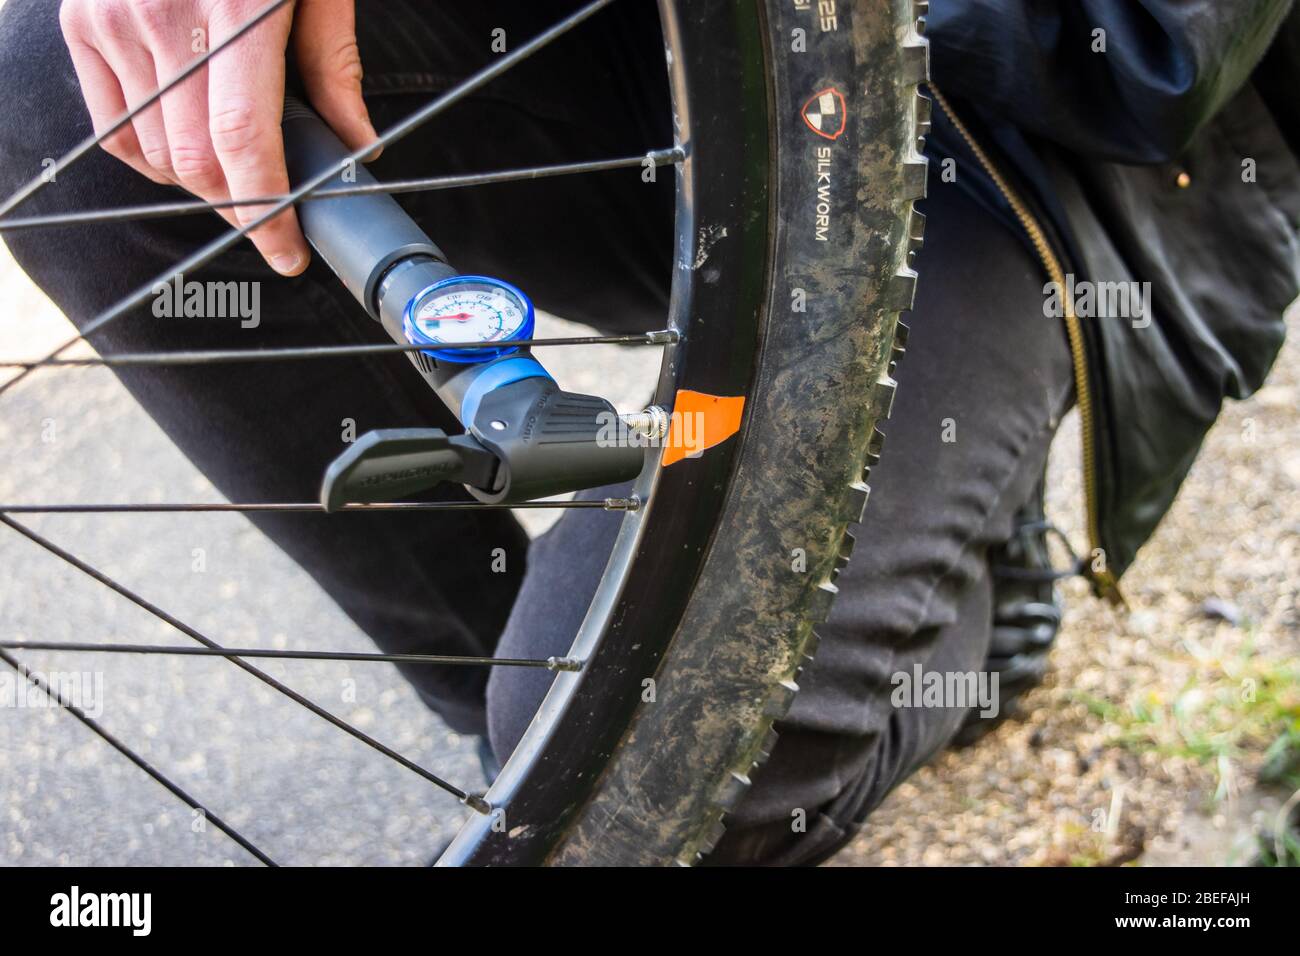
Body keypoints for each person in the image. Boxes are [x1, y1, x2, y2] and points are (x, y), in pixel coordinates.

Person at [0, 0, 1295, 866]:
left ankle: (972, 597)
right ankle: (512, 715)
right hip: (643, 58)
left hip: (1019, 144)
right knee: (63, 83)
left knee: (701, 758)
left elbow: (1139, 49)